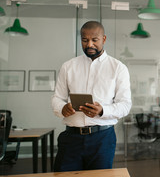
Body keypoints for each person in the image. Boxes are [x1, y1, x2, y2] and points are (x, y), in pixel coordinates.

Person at [51, 21, 132, 171]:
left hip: (102, 139)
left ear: (104, 39)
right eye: (84, 40)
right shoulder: (68, 66)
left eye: (94, 40)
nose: (89, 44)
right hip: (71, 138)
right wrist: (63, 108)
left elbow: (125, 105)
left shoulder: (118, 68)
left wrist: (103, 111)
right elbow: (57, 98)